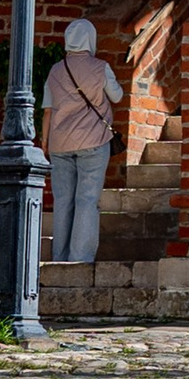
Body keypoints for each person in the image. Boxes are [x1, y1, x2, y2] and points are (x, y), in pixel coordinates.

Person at [41, 18, 125, 266]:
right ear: (91, 39)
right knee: (87, 199)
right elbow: (118, 96)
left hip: (59, 144)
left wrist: (44, 141)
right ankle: (80, 259)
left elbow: (48, 110)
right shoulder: (100, 67)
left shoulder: (56, 70)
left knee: (63, 200)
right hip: (93, 141)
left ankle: (60, 257)